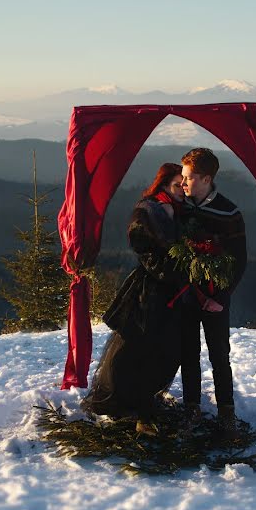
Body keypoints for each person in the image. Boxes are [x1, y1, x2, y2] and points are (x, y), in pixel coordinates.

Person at [81, 163, 190, 434]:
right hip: (148, 292)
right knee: (139, 348)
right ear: (164, 184)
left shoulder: (180, 211)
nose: (182, 191)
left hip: (173, 292)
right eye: (177, 185)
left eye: (183, 185)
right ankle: (134, 406)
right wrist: (174, 269)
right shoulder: (147, 211)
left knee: (166, 350)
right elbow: (144, 250)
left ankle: (145, 401)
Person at [178, 148, 247, 433]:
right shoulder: (180, 208)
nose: (183, 184)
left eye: (188, 178)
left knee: (219, 354)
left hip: (216, 298)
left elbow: (239, 259)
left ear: (206, 179)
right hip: (185, 295)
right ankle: (191, 408)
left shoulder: (229, 212)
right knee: (188, 353)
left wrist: (221, 296)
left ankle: (226, 411)